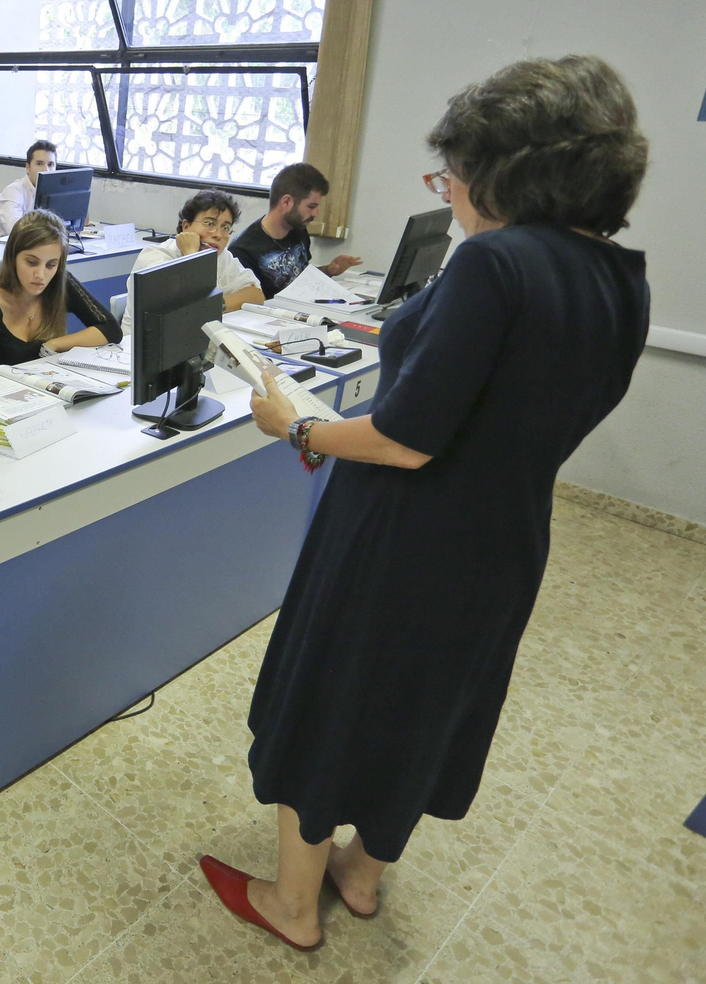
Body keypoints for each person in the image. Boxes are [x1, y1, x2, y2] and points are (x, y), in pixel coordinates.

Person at [200, 55, 650, 953]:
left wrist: (297, 426)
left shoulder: (497, 263)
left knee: (332, 697)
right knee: (425, 708)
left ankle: (292, 905)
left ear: (504, 171)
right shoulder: (618, 276)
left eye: (452, 175)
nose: (450, 193)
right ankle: (360, 876)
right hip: (505, 532)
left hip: (402, 533)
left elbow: (407, 439)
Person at [0, 210, 121, 368]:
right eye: (32, 262)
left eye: (51, 265)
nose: (40, 275)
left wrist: (55, 344)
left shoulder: (60, 282)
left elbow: (111, 329)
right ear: (12, 258)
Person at [126, 189, 265, 325]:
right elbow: (189, 311)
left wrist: (218, 305)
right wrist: (191, 255)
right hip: (147, 338)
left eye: (225, 228)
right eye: (209, 224)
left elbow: (256, 295)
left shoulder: (222, 257)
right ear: (186, 226)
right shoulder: (155, 258)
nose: (218, 234)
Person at [228, 163, 362, 298]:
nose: (316, 214)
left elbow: (301, 280)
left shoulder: (298, 229)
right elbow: (249, 301)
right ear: (286, 202)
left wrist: (329, 270)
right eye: (311, 206)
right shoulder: (242, 251)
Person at [0, 140, 57, 237]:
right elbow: (16, 230)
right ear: (28, 167)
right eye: (39, 164)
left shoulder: (54, 192)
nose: (46, 170)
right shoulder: (13, 191)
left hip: (39, 244)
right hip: (7, 246)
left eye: (50, 165)